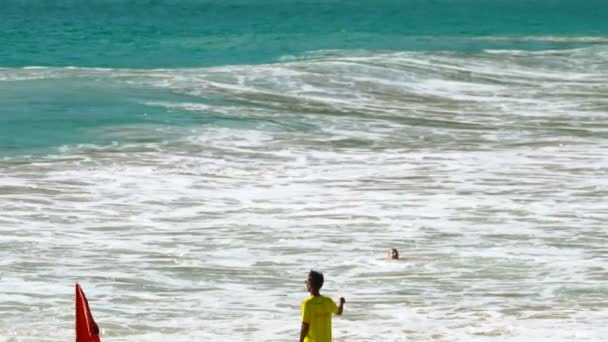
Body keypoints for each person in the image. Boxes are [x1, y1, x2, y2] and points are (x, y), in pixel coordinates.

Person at [299, 270, 345, 342]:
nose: (306, 283)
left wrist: (300, 341)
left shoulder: (307, 303)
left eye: (307, 281)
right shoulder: (328, 301)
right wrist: (341, 303)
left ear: (310, 283)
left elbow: (305, 325)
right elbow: (339, 312)